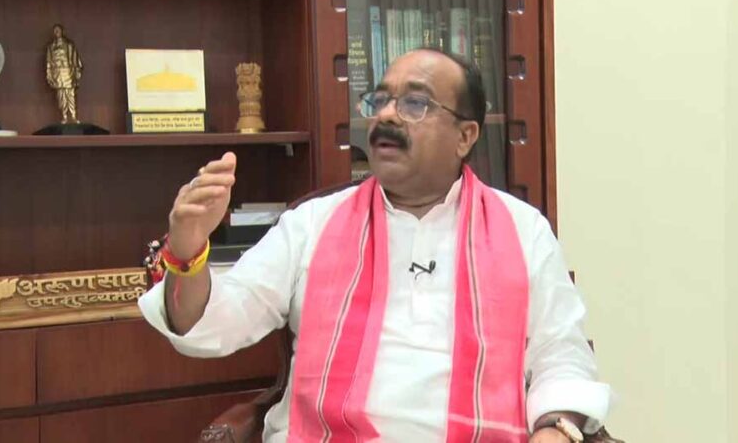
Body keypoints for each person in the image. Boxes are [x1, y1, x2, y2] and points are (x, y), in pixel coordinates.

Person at [139, 48, 611, 443]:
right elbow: (212, 326)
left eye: (415, 103)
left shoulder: (523, 231)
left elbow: (561, 356)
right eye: (380, 100)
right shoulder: (312, 225)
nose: (386, 114)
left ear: (465, 136)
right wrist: (188, 249)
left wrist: (555, 429)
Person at [45, 24, 82, 124]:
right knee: (61, 96)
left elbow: (75, 58)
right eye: (55, 30)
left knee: (71, 95)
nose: (57, 32)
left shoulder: (69, 45)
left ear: (62, 31)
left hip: (68, 71)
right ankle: (64, 116)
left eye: (58, 30)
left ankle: (73, 115)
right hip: (58, 73)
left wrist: (77, 71)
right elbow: (49, 62)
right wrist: (49, 74)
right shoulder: (51, 47)